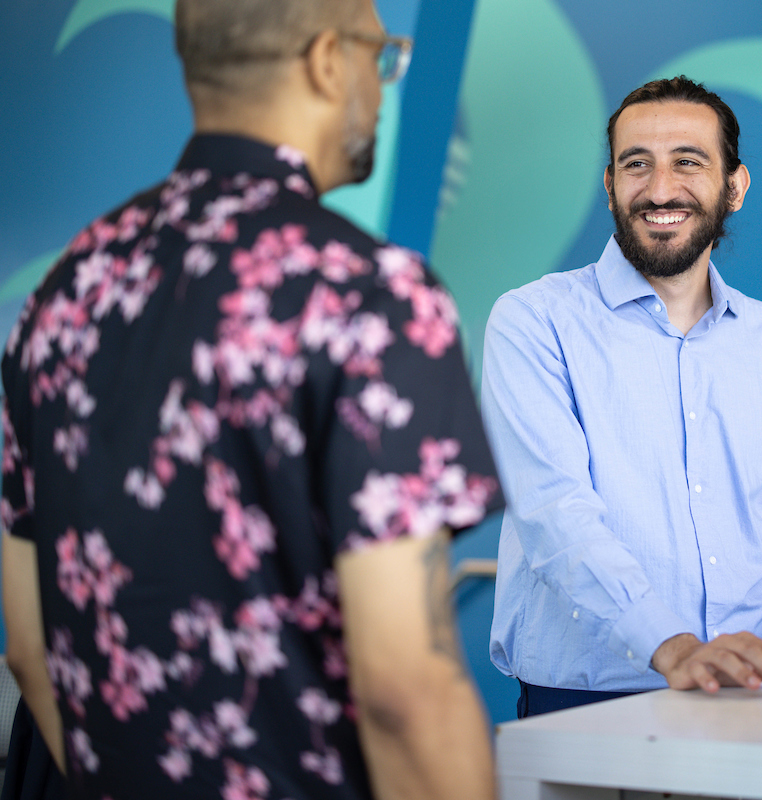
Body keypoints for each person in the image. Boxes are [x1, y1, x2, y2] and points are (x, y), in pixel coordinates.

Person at [0, 1, 503, 798]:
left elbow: (29, 650)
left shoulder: (66, 294)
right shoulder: (371, 295)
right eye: (382, 59)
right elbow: (408, 691)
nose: (381, 89)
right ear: (328, 61)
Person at [482, 76, 762, 718]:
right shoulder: (533, 322)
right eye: (636, 165)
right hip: (584, 705)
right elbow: (555, 517)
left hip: (748, 695)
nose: (659, 190)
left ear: (734, 187)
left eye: (688, 162)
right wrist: (672, 646)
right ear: (609, 186)